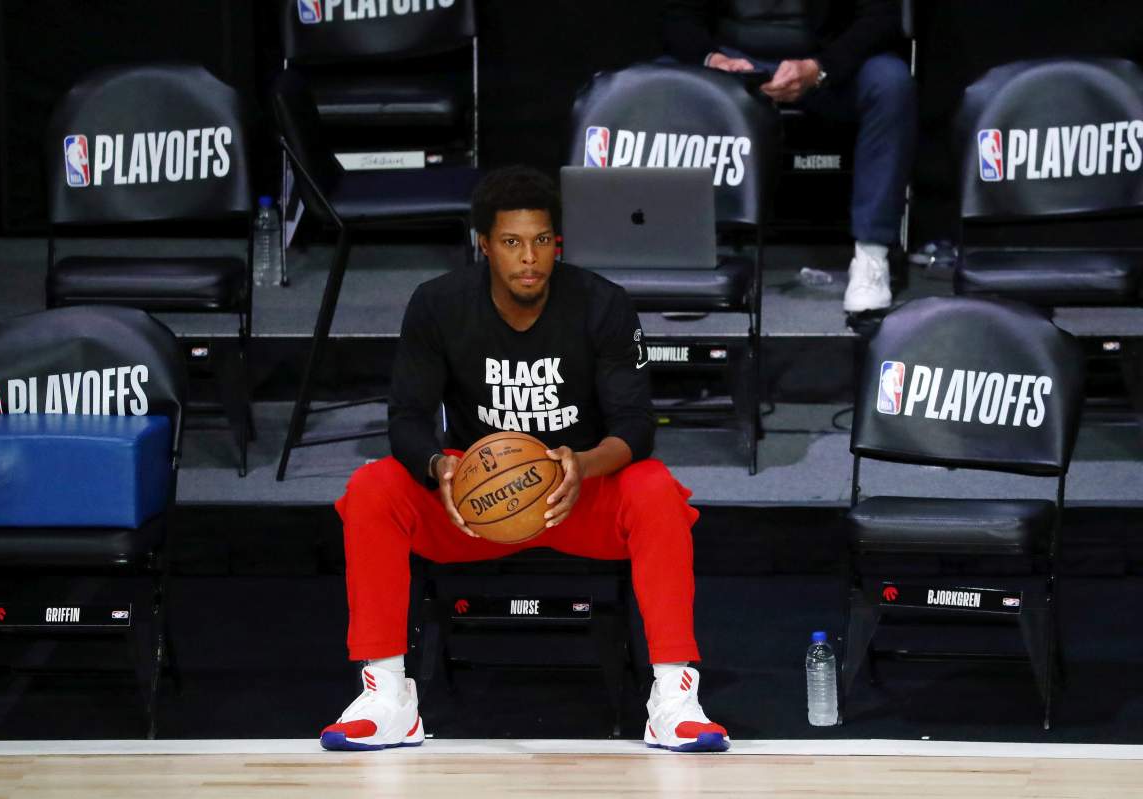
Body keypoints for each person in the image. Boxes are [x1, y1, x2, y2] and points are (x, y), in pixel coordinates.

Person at [322, 166, 729, 753]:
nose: (529, 258)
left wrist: (583, 465)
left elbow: (636, 427)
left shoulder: (603, 304)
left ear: (557, 243)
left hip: (575, 496)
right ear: (483, 245)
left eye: (541, 240)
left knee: (655, 489)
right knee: (372, 489)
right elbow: (406, 421)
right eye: (511, 242)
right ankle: (387, 695)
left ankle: (674, 697)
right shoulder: (437, 305)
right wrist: (441, 469)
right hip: (474, 506)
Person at [663, 0, 916, 314]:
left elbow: (882, 15)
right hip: (733, 61)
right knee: (662, 81)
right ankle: (687, 257)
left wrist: (822, 67)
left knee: (891, 84)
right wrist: (711, 58)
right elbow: (679, 13)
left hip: (826, 64)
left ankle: (871, 255)